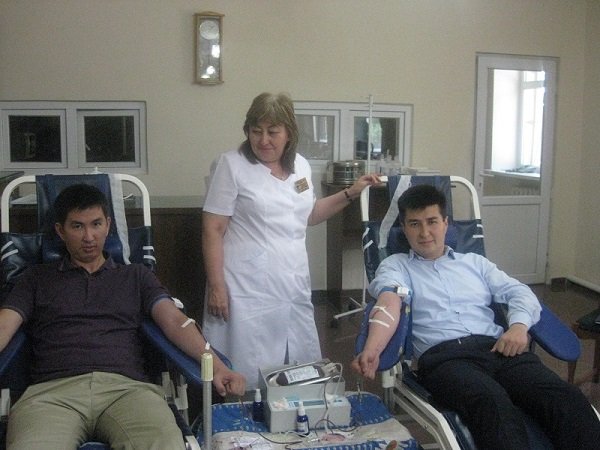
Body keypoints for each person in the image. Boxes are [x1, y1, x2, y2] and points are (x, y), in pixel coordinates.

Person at [352, 184, 600, 450]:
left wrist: (518, 327)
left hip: (499, 349)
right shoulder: (396, 266)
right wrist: (373, 349)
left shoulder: (475, 263)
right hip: (446, 359)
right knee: (492, 404)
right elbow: (389, 303)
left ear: (446, 223)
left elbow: (519, 292)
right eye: (415, 224)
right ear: (403, 227)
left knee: (566, 398)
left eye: (432, 221)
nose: (424, 232)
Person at [0, 183, 245, 450]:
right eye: (77, 226)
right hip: (52, 394)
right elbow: (4, 325)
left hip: (127, 390)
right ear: (60, 231)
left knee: (164, 444)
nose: (89, 237)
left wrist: (218, 367)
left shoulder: (136, 276)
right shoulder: (35, 279)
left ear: (108, 225)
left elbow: (176, 322)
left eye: (96, 224)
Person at [202, 92, 381, 389]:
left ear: (289, 133)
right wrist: (217, 286)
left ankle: (292, 411)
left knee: (296, 361)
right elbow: (213, 229)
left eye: (272, 132)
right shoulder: (231, 165)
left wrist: (351, 192)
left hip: (292, 279)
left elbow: (309, 214)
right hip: (245, 284)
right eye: (256, 131)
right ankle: (242, 412)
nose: (263, 140)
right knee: (246, 363)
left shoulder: (300, 166)